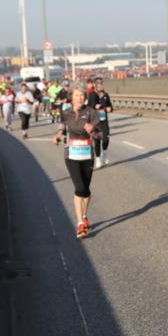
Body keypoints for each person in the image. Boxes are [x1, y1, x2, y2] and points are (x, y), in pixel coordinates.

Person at [54, 86, 100, 237]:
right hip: (71, 155)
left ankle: (84, 216)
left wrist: (92, 131)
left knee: (85, 190)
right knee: (79, 188)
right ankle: (80, 224)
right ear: (71, 97)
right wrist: (58, 136)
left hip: (87, 155)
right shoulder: (66, 112)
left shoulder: (91, 112)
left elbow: (100, 136)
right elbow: (62, 126)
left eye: (82, 95)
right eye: (77, 95)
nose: (80, 98)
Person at [92, 77, 114, 168]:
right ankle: (97, 159)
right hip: (95, 122)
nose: (100, 85)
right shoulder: (92, 95)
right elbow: (88, 107)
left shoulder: (106, 95)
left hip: (104, 121)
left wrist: (109, 109)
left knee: (106, 139)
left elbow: (110, 107)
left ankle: (104, 152)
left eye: (101, 83)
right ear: (95, 85)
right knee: (97, 141)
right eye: (98, 83)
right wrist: (94, 107)